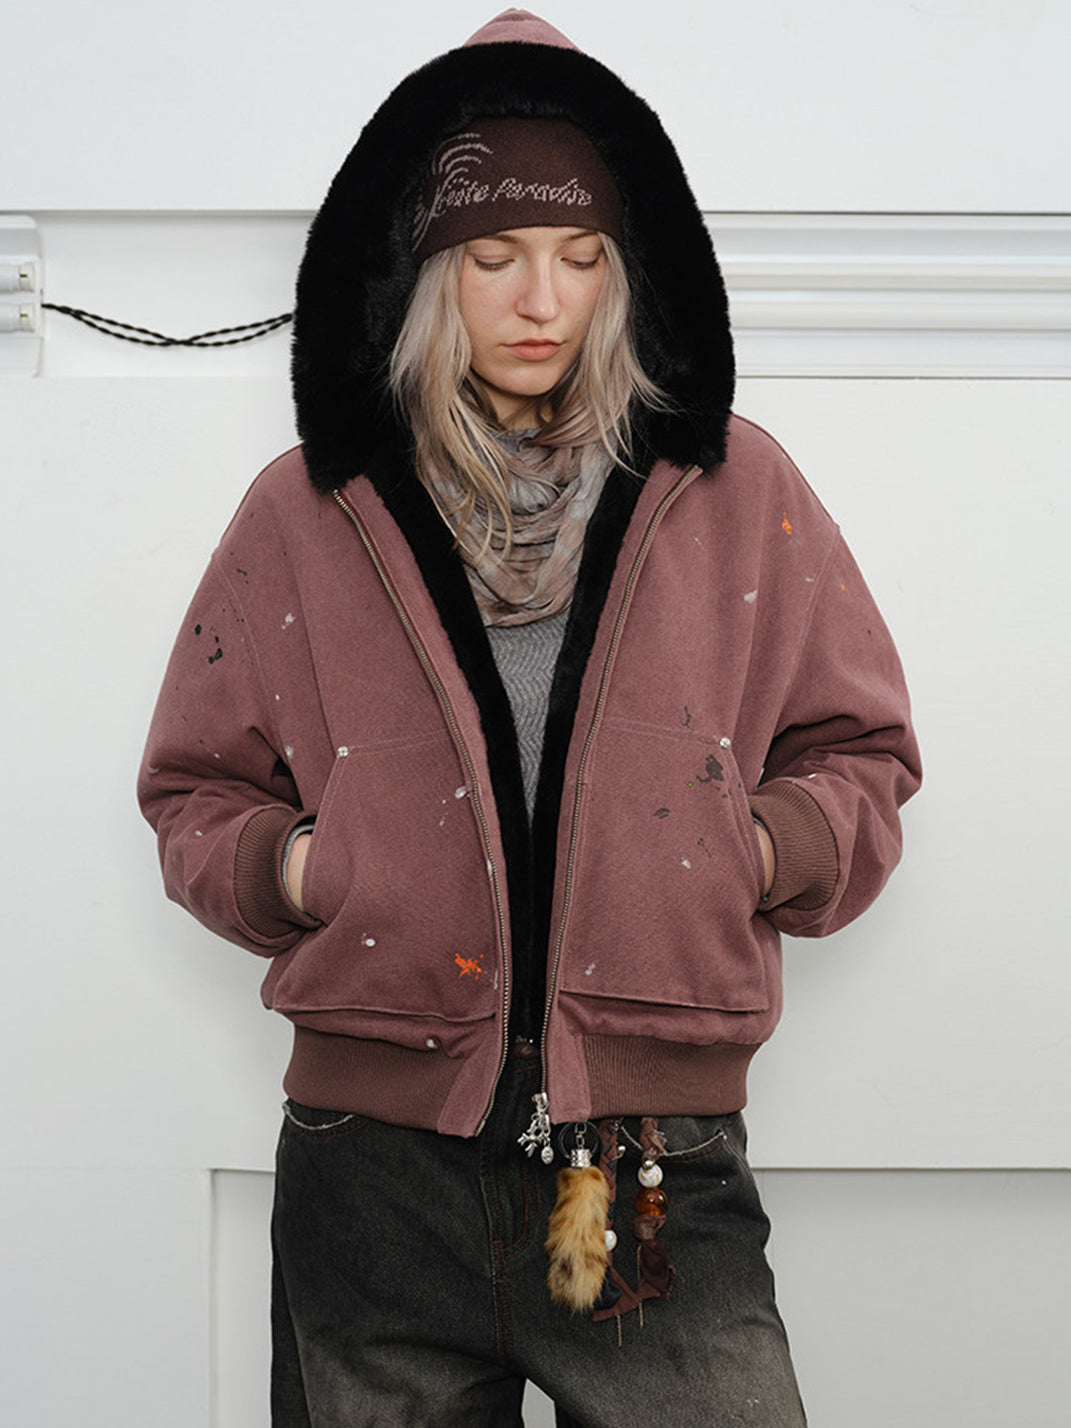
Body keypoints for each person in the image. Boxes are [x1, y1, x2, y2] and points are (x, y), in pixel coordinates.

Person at [139, 10, 921, 1426]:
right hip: (372, 1169)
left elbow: (860, 752)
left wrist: (746, 853)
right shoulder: (309, 509)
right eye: (494, 256)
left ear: (627, 268)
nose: (541, 298)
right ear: (429, 268)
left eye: (580, 255)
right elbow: (196, 788)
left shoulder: (733, 489)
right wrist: (306, 868)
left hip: (643, 1168)